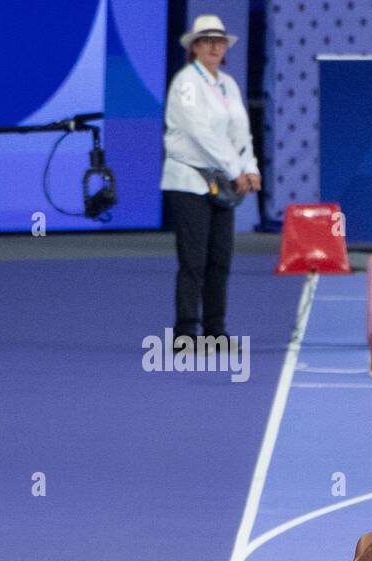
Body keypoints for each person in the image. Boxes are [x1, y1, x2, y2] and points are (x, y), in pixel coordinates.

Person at [161, 14, 261, 343]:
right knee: (193, 261)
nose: (214, 46)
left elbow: (240, 133)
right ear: (194, 47)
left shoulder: (228, 84)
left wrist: (250, 169)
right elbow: (200, 134)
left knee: (220, 260)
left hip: (222, 183)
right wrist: (236, 171)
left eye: (219, 41)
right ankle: (186, 332)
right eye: (207, 41)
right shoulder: (186, 83)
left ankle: (216, 330)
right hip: (189, 182)